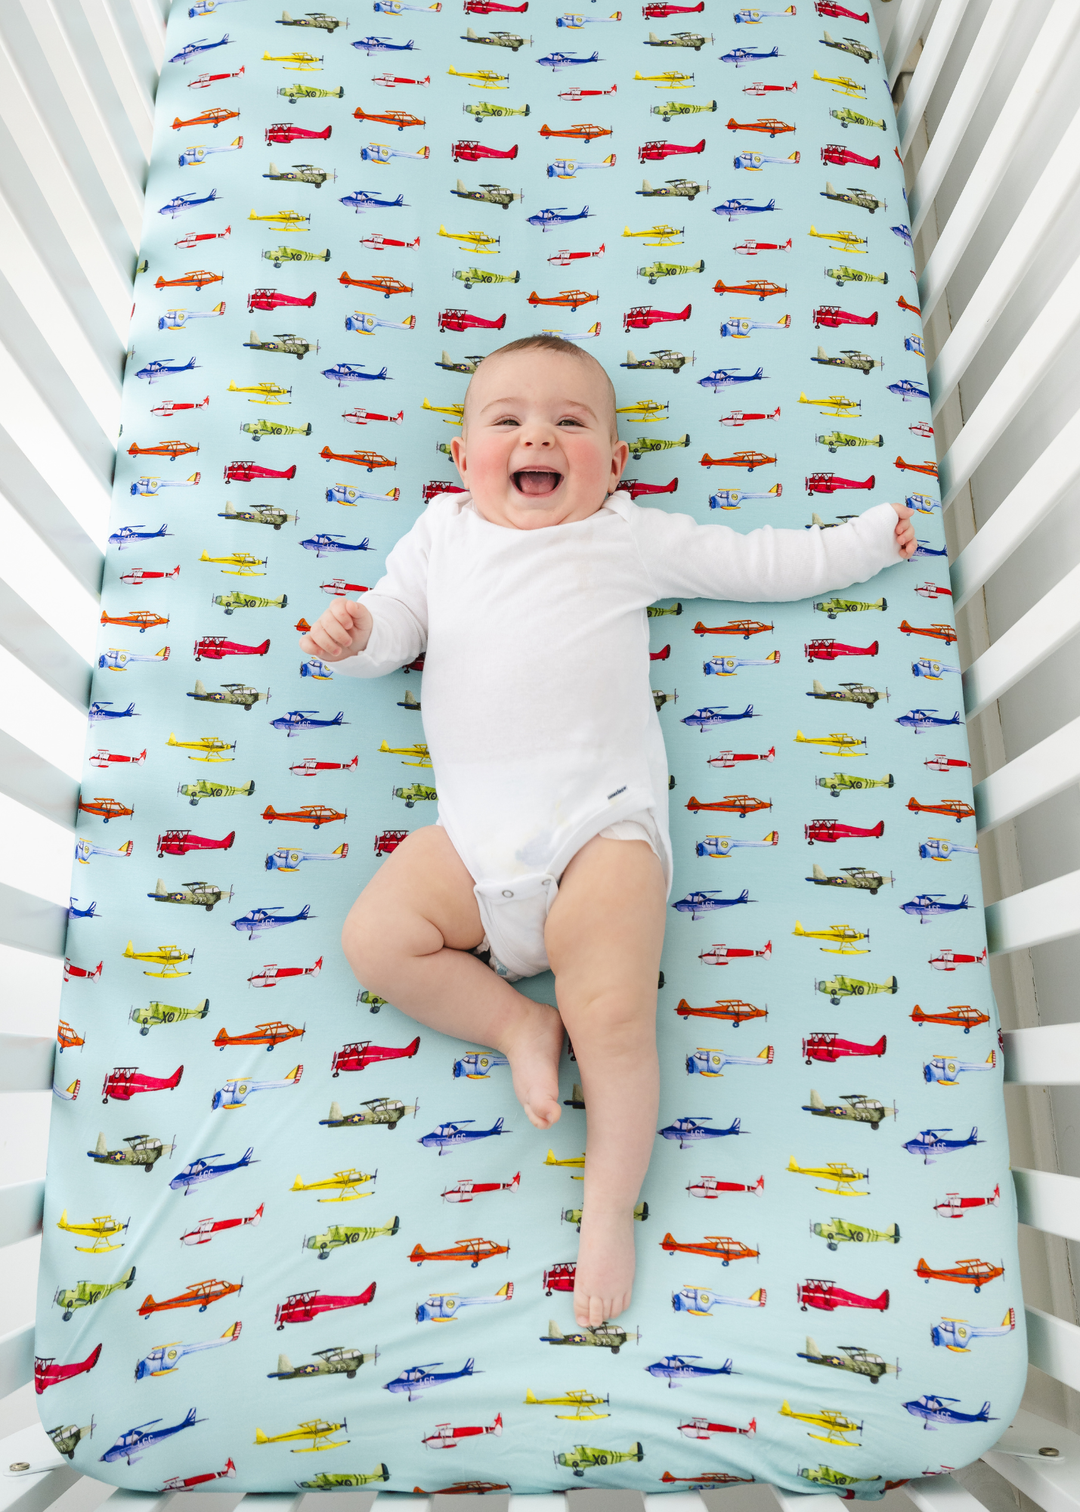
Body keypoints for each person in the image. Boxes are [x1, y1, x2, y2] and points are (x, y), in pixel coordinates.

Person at [299, 334, 916, 1329]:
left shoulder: (625, 535)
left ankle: (606, 1210)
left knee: (618, 1023)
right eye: (507, 420)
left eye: (570, 423)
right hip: (472, 841)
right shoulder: (441, 535)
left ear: (616, 463)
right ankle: (517, 1025)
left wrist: (863, 541)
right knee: (375, 938)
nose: (537, 435)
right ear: (462, 458)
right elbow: (396, 620)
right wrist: (358, 636)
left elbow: (754, 563)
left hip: (601, 832)